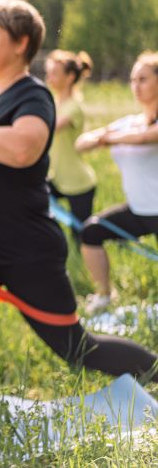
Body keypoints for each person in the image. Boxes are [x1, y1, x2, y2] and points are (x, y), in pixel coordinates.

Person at [0, 0, 158, 383]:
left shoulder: (33, 95)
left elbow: (23, 148)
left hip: (25, 247)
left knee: (77, 348)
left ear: (21, 43)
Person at [75, 51, 158, 313]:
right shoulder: (129, 123)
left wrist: (110, 137)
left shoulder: (130, 129)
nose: (136, 85)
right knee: (91, 232)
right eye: (133, 79)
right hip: (139, 209)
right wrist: (105, 137)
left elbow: (147, 138)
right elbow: (82, 143)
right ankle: (104, 295)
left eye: (143, 79)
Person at [44, 49, 97, 244]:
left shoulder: (74, 107)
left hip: (78, 183)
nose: (49, 76)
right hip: (55, 178)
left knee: (81, 237)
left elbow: (50, 128)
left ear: (70, 77)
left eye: (54, 73)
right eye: (48, 71)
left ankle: (82, 270)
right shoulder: (53, 102)